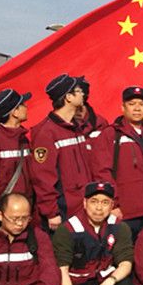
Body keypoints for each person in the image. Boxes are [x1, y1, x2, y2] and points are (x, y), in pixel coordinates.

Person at [51, 181, 135, 285]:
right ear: (84, 203)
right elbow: (61, 271)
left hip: (102, 284)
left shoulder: (119, 227)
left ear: (112, 205)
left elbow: (126, 263)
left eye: (105, 203)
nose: (99, 208)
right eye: (94, 201)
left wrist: (110, 282)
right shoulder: (68, 229)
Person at [29, 73, 93, 230]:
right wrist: (51, 212)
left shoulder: (77, 127)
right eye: (78, 91)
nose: (83, 94)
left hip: (82, 207)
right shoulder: (46, 133)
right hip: (63, 211)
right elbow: (42, 177)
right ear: (68, 97)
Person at [89, 86, 143, 238]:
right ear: (123, 107)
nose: (137, 108)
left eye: (142, 104)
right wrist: (113, 204)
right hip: (125, 212)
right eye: (132, 104)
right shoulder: (110, 134)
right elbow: (102, 172)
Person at [0, 88, 33, 226]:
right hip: (5, 215)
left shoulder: (23, 138)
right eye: (22, 104)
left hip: (26, 210)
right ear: (14, 112)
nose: (26, 107)